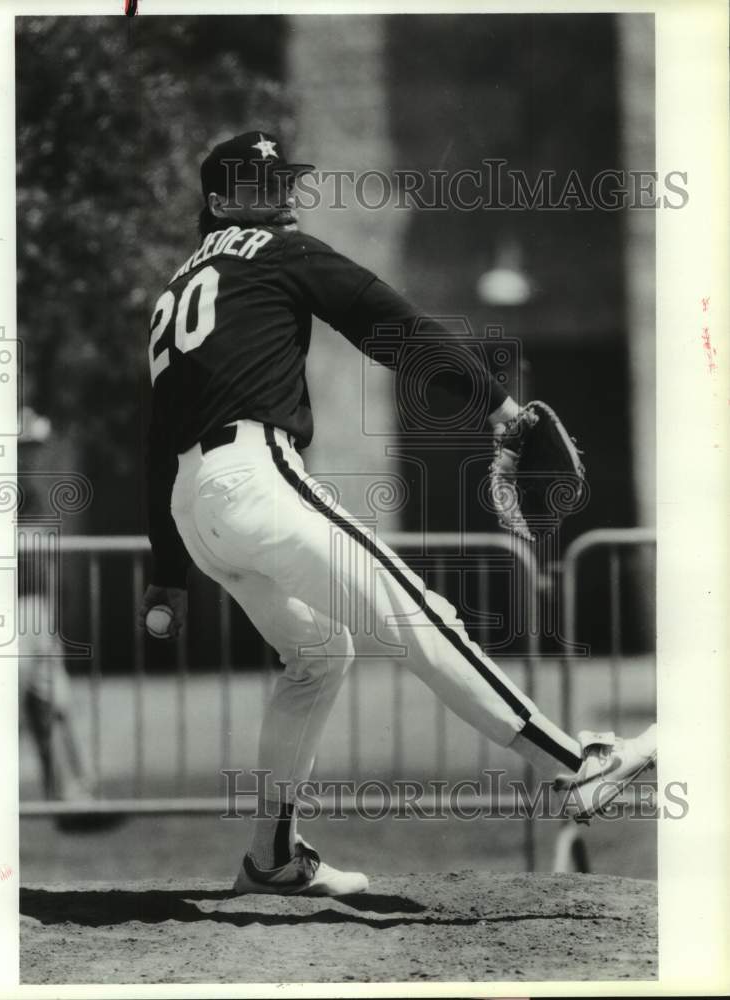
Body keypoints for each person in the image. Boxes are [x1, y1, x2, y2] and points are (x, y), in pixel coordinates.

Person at [139, 130, 656, 896]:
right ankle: (577, 764)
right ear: (217, 201)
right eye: (256, 183)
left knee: (318, 653)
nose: (278, 194)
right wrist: (500, 408)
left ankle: (271, 856)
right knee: (421, 616)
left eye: (282, 179)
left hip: (196, 505)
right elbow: (396, 329)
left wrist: (168, 572)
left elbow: (158, 440)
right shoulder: (278, 251)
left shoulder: (175, 289)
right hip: (255, 478)